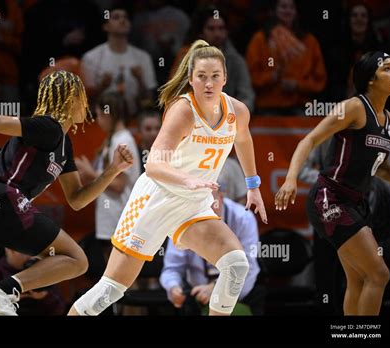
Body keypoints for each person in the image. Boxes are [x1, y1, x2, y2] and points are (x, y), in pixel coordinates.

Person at [69, 39, 268, 316]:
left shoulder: (238, 112)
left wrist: (252, 185)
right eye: (201, 77)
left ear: (225, 78)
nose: (208, 84)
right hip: (156, 199)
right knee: (110, 290)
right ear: (191, 79)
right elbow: (153, 165)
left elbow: (243, 141)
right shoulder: (183, 110)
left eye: (215, 76)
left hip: (193, 204)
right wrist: (188, 180)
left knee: (236, 266)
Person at [0, 70, 134, 316]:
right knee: (77, 260)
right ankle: (5, 289)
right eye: (82, 97)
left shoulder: (63, 144)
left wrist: (112, 171)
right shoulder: (48, 126)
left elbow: (77, 199)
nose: (87, 104)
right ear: (71, 99)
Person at [275, 52, 390, 315]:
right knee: (379, 274)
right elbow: (308, 140)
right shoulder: (354, 107)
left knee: (357, 279)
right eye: (388, 69)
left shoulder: (387, 120)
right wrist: (290, 179)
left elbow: (381, 169)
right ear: (371, 80)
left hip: (355, 203)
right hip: (329, 198)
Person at [160, 188, 262, 315]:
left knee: (240, 271)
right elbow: (172, 268)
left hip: (242, 293)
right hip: (197, 295)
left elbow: (248, 266)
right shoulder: (184, 217)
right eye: (201, 203)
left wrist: (215, 288)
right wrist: (174, 288)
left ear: (221, 197)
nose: (206, 209)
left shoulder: (243, 217)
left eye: (210, 202)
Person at [75, 92, 141, 260]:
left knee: (120, 274)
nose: (97, 120)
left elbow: (118, 185)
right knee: (112, 275)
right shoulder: (113, 140)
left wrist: (90, 173)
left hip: (119, 217)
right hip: (110, 217)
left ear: (107, 114)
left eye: (98, 115)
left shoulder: (123, 140)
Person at [137, 108, 162, 173]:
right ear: (139, 131)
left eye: (157, 128)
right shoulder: (134, 154)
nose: (153, 133)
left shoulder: (169, 153)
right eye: (148, 129)